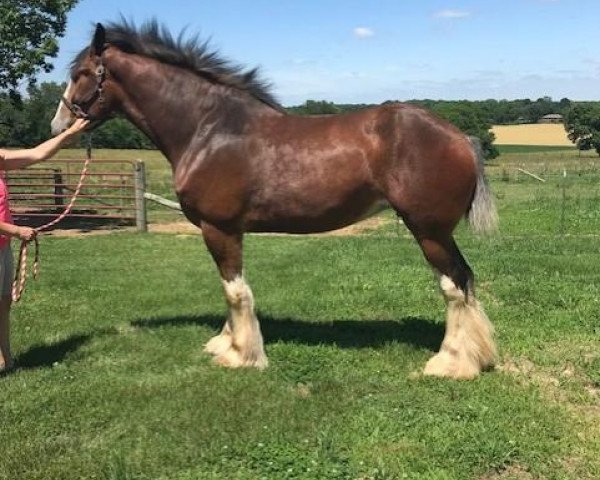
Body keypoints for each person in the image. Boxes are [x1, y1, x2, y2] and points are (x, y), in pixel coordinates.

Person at [0, 118, 89, 373]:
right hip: (6, 238)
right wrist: (17, 230)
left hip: (2, 246)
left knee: (4, 302)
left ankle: (7, 359)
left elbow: (38, 154)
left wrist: (69, 133)